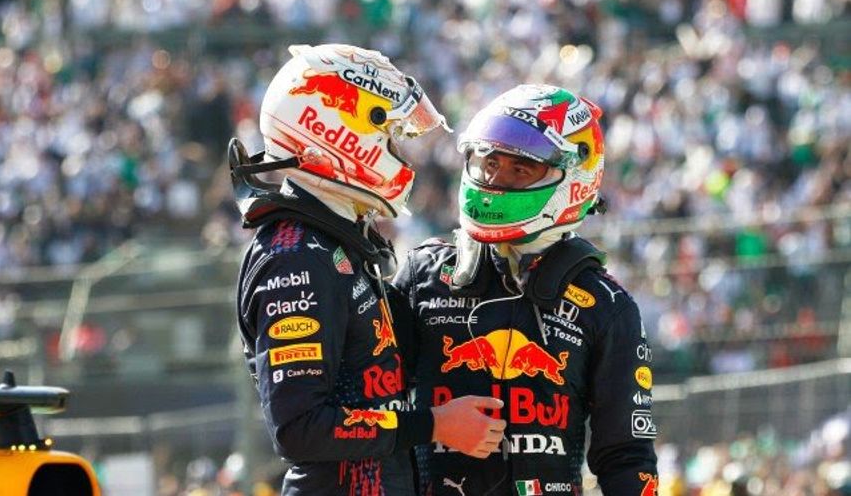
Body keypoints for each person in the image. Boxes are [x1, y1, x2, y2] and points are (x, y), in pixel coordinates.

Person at [230, 44, 506, 496]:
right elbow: (299, 428)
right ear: (336, 131)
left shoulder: (333, 242)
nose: (397, 151)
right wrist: (434, 425)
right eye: (388, 134)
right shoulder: (295, 256)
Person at [392, 84, 659, 495]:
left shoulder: (607, 306)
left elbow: (626, 458)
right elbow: (369, 409)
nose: (496, 179)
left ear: (574, 179)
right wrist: (433, 425)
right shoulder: (422, 273)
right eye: (490, 163)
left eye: (521, 169)